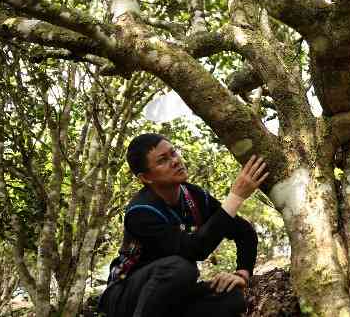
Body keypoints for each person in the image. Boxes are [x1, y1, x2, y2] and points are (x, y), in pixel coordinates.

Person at [98, 133, 268, 317]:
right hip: (125, 296)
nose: (175, 161)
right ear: (146, 178)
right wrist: (235, 197)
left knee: (232, 298)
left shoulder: (194, 196)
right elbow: (194, 250)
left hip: (171, 294)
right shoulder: (140, 212)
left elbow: (244, 232)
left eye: (173, 153)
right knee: (181, 268)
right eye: (163, 160)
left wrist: (241, 274)